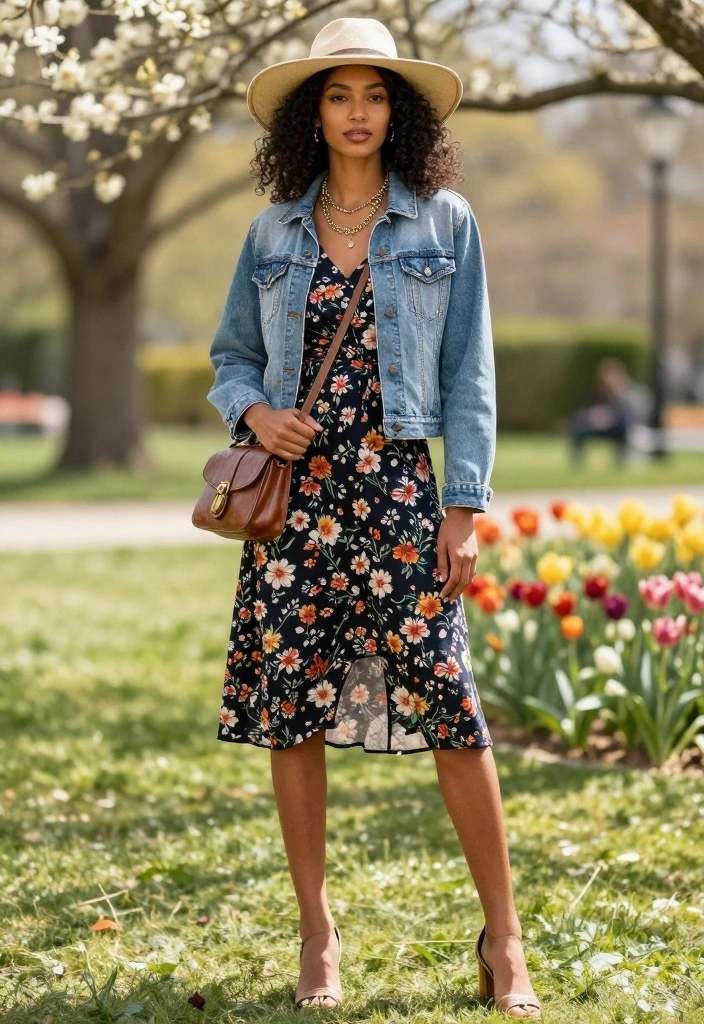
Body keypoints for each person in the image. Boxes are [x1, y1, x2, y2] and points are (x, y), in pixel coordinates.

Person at [207, 17, 541, 1019]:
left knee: (450, 706)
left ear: (398, 112)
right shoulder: (271, 232)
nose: (356, 113)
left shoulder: (445, 222)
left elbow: (468, 373)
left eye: (374, 95)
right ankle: (317, 930)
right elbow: (229, 356)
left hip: (399, 493)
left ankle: (504, 936)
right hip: (293, 506)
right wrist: (256, 411)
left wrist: (463, 503)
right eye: (337, 96)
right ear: (313, 114)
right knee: (291, 708)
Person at [569, 357, 652, 464]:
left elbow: (634, 413)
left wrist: (618, 394)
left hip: (620, 428)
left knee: (624, 420)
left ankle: (622, 459)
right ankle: (577, 461)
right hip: (601, 426)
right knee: (579, 418)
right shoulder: (601, 393)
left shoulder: (631, 393)